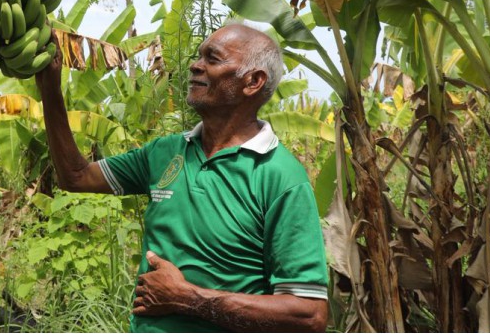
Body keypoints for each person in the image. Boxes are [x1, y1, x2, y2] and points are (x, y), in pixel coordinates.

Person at [35, 22, 329, 332]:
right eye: (198, 56)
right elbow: (77, 177)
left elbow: (309, 315)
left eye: (212, 59)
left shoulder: (280, 177)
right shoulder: (165, 153)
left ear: (253, 81)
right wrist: (51, 90)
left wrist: (188, 298)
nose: (194, 65)